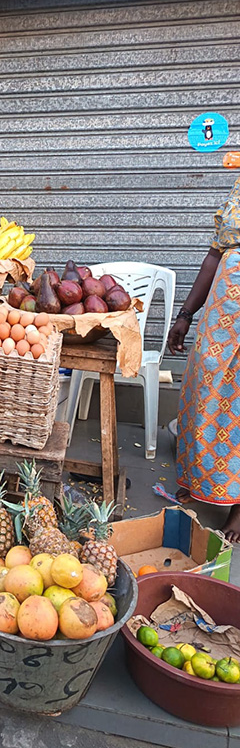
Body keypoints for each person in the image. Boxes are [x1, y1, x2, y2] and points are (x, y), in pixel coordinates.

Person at [168, 172, 240, 541]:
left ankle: (239, 508)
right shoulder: (238, 187)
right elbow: (215, 254)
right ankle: (205, 482)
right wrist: (185, 314)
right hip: (221, 319)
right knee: (204, 397)